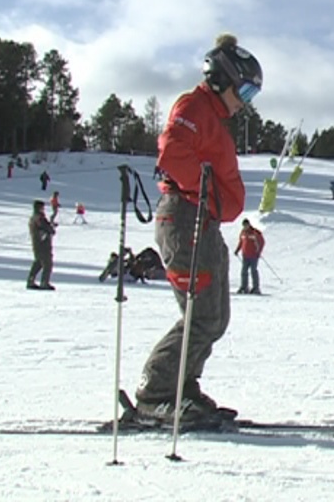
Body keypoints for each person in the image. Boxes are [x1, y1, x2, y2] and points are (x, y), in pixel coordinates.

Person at [134, 32, 262, 425]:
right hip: (185, 216)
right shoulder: (194, 107)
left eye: (251, 95)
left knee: (215, 316)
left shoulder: (214, 118)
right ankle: (156, 391)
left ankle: (182, 385)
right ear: (222, 78)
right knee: (202, 315)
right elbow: (172, 153)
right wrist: (205, 191)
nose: (244, 102)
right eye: (243, 91)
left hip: (201, 220)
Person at [26, 200, 56, 290]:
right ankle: (44, 282)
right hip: (42, 244)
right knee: (47, 263)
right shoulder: (39, 217)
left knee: (38, 262)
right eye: (42, 207)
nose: (43, 209)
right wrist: (51, 229)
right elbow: (44, 227)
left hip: (38, 244)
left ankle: (30, 281)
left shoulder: (34, 217)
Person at [234, 219, 265, 294]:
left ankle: (256, 287)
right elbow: (241, 242)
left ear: (249, 224)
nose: (245, 227)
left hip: (253, 255)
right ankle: (244, 287)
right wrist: (237, 250)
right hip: (245, 255)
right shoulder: (243, 233)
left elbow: (262, 242)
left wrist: (259, 252)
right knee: (244, 271)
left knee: (253, 271)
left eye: (246, 225)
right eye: (244, 226)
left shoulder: (254, 232)